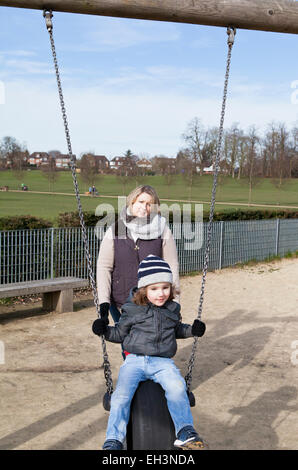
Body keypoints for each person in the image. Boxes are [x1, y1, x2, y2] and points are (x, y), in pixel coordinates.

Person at [92, 255, 207, 450]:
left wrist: (191, 330)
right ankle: (114, 440)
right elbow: (119, 333)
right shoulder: (131, 310)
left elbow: (176, 329)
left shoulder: (172, 309)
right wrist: (103, 330)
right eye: (154, 289)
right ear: (143, 290)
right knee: (120, 397)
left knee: (178, 388)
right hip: (134, 361)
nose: (160, 293)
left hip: (162, 362)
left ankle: (185, 431)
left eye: (165, 287)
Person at [96, 185, 180, 332]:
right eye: (141, 202)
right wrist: (103, 303)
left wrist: (176, 302)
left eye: (149, 204)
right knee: (127, 344)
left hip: (152, 301)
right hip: (120, 300)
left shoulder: (162, 230)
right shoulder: (116, 229)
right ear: (132, 202)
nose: (144, 207)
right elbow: (104, 267)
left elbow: (172, 265)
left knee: (150, 342)